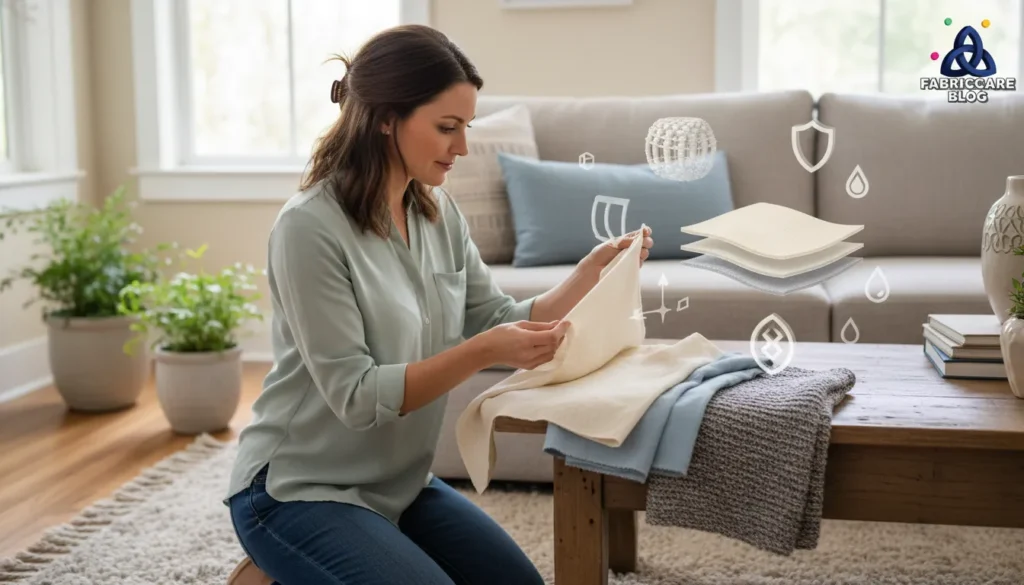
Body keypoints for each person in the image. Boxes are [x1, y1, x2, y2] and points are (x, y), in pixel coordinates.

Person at [224, 24, 654, 585]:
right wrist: (479, 353)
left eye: (466, 127)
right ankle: (279, 563)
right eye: (447, 127)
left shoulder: (435, 213)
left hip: (397, 484)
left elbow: (498, 320)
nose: (463, 146)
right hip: (295, 488)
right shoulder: (308, 229)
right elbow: (355, 396)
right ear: (384, 118)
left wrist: (589, 274)